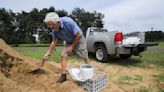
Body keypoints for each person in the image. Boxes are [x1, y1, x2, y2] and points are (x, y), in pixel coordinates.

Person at [43, 12, 89, 83]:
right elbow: (54, 41)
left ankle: (88, 71)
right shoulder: (54, 30)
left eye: (51, 25)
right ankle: (63, 75)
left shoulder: (68, 22)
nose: (49, 27)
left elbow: (78, 34)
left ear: (57, 22)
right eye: (48, 25)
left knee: (84, 55)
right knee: (63, 55)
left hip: (78, 38)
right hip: (68, 40)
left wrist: (72, 46)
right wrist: (48, 53)